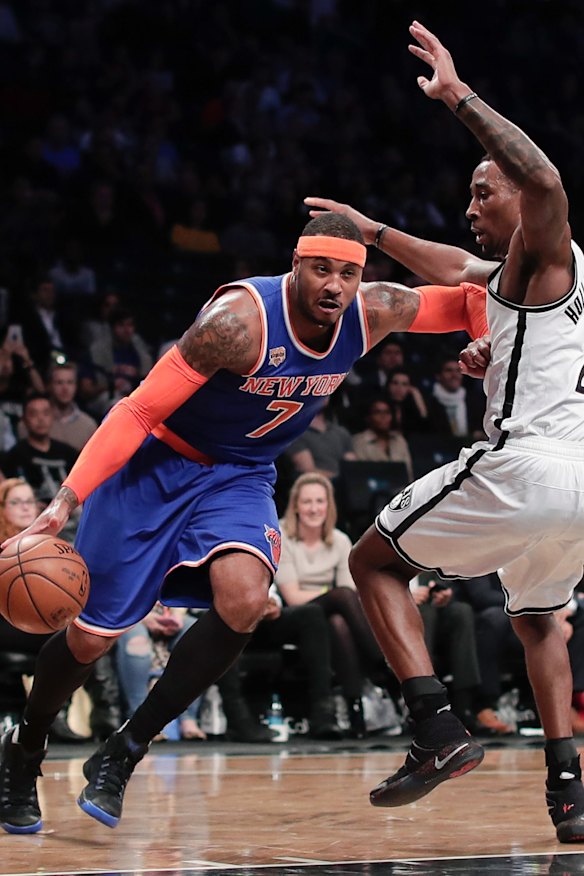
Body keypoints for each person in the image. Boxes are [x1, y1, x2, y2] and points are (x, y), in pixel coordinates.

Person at [0, 209, 487, 834]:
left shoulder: (373, 310)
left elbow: (476, 297)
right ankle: (25, 746)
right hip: (158, 465)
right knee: (92, 638)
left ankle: (125, 750)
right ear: (296, 264)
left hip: (240, 475)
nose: (334, 286)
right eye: (321, 270)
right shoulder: (237, 323)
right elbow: (138, 411)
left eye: (347, 273)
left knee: (245, 600)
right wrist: (65, 501)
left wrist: (484, 339)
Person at [307, 21, 584, 843]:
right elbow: (454, 268)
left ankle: (434, 727)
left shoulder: (547, 246)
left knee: (372, 561)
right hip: (580, 484)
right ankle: (569, 792)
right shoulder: (540, 279)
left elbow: (545, 178)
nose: (470, 208)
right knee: (538, 621)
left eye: (482, 193)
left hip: (528, 465)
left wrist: (458, 97)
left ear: (521, 204)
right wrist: (371, 230)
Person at [275, 473, 395, 738]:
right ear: (295, 506)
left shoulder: (339, 540)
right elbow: (293, 596)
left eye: (320, 501)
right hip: (293, 616)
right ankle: (383, 662)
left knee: (338, 621)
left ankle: (355, 710)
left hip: (327, 616)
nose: (314, 508)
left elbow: (350, 591)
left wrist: (331, 596)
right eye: (307, 502)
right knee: (340, 598)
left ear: (329, 506)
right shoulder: (282, 536)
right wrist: (328, 594)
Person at [353, 396, 413, 480]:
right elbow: (362, 475)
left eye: (387, 412)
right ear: (368, 417)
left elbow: (408, 473)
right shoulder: (360, 441)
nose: (383, 417)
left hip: (402, 486)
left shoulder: (399, 440)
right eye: (378, 412)